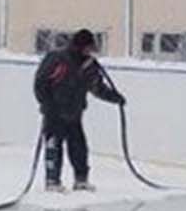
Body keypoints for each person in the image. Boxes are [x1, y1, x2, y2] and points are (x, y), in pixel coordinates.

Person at [32, 29, 124, 192]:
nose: (91, 51)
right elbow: (40, 83)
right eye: (89, 47)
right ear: (80, 46)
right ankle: (52, 180)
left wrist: (114, 97)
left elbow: (97, 87)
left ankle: (81, 180)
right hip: (54, 112)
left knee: (79, 147)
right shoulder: (57, 59)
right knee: (54, 146)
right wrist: (46, 104)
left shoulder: (89, 65)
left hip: (74, 113)